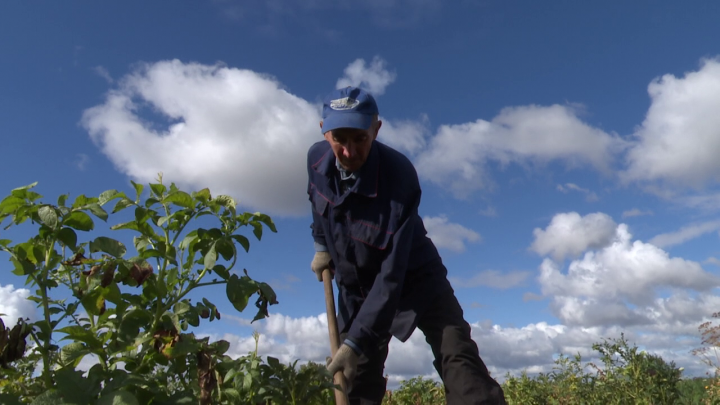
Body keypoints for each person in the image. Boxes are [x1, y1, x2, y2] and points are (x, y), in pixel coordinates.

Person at [307, 86, 507, 404]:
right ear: (324, 132)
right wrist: (322, 244)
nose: (348, 151)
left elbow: (392, 273)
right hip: (357, 289)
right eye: (339, 139)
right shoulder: (316, 159)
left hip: (415, 278)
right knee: (357, 381)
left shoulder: (398, 176)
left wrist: (358, 339)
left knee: (458, 359)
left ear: (376, 129)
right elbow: (317, 200)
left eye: (359, 138)